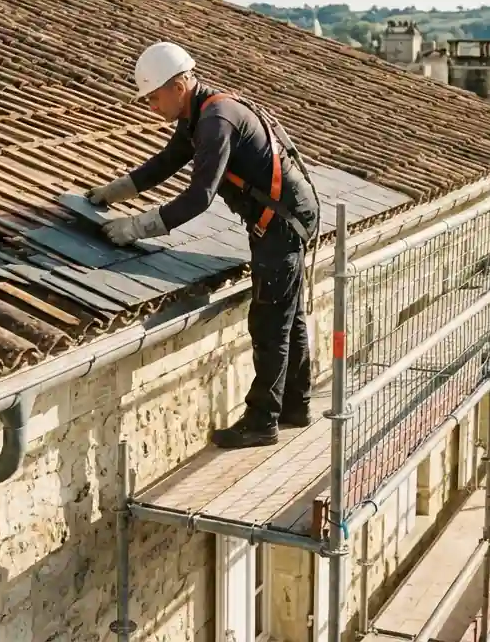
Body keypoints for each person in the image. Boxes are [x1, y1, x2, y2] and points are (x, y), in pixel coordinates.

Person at [87, 41, 319, 449]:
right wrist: (114, 192)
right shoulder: (199, 115)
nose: (152, 108)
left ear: (179, 84)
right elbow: (165, 163)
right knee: (288, 315)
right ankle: (294, 406)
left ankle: (262, 421)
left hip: (281, 224)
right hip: (286, 218)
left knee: (269, 323)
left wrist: (136, 228)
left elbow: (199, 197)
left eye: (155, 98)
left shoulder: (216, 120)